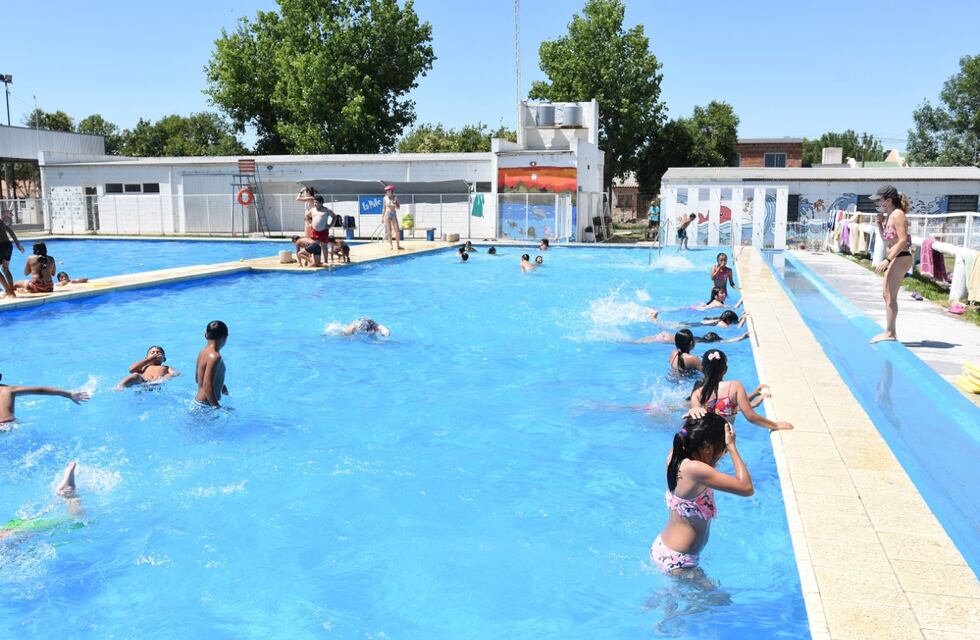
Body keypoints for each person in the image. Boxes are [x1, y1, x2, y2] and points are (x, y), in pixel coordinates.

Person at [650, 412, 752, 576]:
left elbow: (687, 434)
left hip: (664, 546)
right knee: (719, 601)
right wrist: (733, 447)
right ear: (706, 448)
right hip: (680, 560)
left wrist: (695, 414)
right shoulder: (696, 470)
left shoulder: (674, 456)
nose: (723, 453)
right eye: (722, 449)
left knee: (668, 599)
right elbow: (746, 488)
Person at [690, 349, 793, 431]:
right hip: (723, 441)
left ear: (702, 369)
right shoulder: (735, 386)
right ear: (725, 369)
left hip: (704, 440)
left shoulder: (697, 393)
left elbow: (697, 415)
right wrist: (774, 425)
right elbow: (751, 416)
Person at [870, 185, 914, 344]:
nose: (877, 203)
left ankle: (890, 332)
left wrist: (887, 260)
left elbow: (902, 241)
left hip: (901, 257)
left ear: (888, 200)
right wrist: (880, 225)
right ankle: (890, 330)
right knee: (886, 294)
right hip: (895, 257)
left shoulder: (898, 214)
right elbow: (888, 240)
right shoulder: (890, 216)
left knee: (890, 295)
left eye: (879, 200)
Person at [1, 461, 83, 542]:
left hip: (21, 530)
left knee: (76, 517)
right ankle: (67, 492)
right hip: (10, 527)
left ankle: (68, 493)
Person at [0, 372, 90, 425]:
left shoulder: (8, 389)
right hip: (10, 424)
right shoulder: (9, 389)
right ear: (0, 377)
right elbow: (41, 390)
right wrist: (69, 394)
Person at [195, 320, 229, 408]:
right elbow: (207, 385)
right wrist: (216, 407)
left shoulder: (202, 352)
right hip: (206, 406)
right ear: (225, 337)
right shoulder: (215, 356)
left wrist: (221, 385)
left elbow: (197, 379)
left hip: (198, 402)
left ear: (205, 335)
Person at [115, 345, 180, 389]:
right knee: (136, 375)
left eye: (159, 353)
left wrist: (167, 376)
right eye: (152, 352)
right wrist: (149, 360)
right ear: (146, 357)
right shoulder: (144, 367)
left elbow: (176, 373)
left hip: (158, 382)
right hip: (143, 382)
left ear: (164, 359)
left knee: (169, 375)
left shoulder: (166, 367)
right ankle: (119, 387)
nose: (155, 354)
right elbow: (131, 369)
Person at [0, 209, 25, 298]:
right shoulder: (1, 222)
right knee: (5, 269)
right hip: (7, 246)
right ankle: (12, 293)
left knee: (4, 270)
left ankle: (8, 291)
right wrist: (18, 244)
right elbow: (10, 231)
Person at [305, 196, 336, 262]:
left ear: (321, 203)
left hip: (323, 231)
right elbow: (307, 216)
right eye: (314, 202)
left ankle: (326, 261)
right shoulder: (313, 210)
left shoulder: (327, 210)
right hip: (315, 231)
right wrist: (310, 223)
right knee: (315, 246)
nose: (315, 204)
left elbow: (334, 216)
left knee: (324, 246)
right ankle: (315, 261)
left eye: (316, 202)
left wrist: (331, 225)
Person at [633, 330, 749, 345]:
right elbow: (726, 341)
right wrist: (742, 337)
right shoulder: (701, 342)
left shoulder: (697, 337)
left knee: (637, 341)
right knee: (638, 343)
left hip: (665, 334)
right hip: (666, 339)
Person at [382, 184, 403, 251]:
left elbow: (398, 208)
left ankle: (398, 245)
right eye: (387, 191)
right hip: (387, 214)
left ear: (391, 191)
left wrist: (395, 204)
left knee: (397, 230)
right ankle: (391, 245)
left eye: (388, 191)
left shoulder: (395, 198)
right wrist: (382, 217)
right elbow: (384, 208)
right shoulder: (385, 198)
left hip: (393, 213)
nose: (387, 192)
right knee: (389, 231)